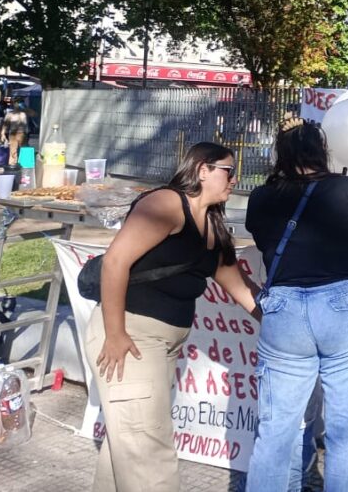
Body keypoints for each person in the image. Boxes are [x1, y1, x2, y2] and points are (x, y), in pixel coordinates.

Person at [83, 142, 261, 492]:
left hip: (162, 346)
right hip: (131, 339)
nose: (234, 179)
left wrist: (289, 328)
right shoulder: (166, 204)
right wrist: (115, 335)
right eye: (228, 170)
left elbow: (244, 293)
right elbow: (116, 261)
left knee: (129, 450)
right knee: (150, 458)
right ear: (202, 170)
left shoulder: (213, 229)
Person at [245, 118, 348, 492]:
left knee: (275, 431)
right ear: (321, 150)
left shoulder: (261, 197)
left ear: (281, 154)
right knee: (345, 432)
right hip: (344, 309)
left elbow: (264, 239)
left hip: (284, 313)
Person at [0, 99, 30, 166]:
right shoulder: (11, 114)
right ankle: (13, 164)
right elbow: (5, 125)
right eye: (16, 103)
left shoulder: (23, 113)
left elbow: (33, 114)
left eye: (19, 103)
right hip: (15, 134)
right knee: (14, 150)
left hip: (20, 134)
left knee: (22, 150)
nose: (18, 105)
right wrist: (2, 134)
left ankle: (21, 164)